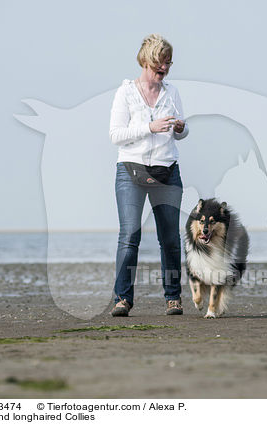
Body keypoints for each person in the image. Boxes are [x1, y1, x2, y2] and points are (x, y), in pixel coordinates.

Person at [108, 34, 189, 316]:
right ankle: (123, 299)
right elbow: (116, 135)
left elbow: (184, 130)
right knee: (130, 234)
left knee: (170, 238)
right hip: (131, 171)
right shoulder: (126, 92)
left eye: (168, 63)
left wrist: (180, 128)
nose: (164, 69)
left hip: (167, 171)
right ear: (146, 60)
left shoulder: (172, 92)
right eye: (159, 63)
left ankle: (173, 298)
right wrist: (149, 127)